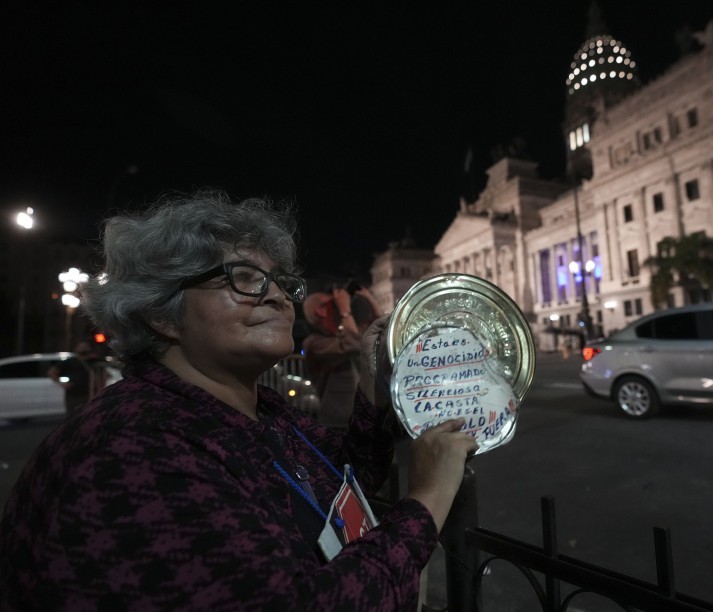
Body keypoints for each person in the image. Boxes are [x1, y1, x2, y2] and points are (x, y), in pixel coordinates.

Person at [0, 189, 478, 611]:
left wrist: (374, 386)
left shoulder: (257, 408)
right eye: (245, 278)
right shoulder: (131, 449)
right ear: (161, 313)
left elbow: (339, 480)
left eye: (282, 283)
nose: (279, 297)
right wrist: (428, 498)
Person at [302, 287, 363, 428]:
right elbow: (353, 344)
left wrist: (367, 296)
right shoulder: (314, 344)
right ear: (321, 310)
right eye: (334, 304)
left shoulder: (338, 337)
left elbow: (377, 328)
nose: (338, 307)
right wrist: (345, 310)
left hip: (355, 418)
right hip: (338, 423)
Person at [46, 340, 94, 415]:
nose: (83, 349)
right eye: (81, 347)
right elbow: (52, 372)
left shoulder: (94, 362)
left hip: (90, 393)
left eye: (85, 347)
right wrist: (62, 383)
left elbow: (104, 373)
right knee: (73, 415)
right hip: (73, 394)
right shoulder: (69, 361)